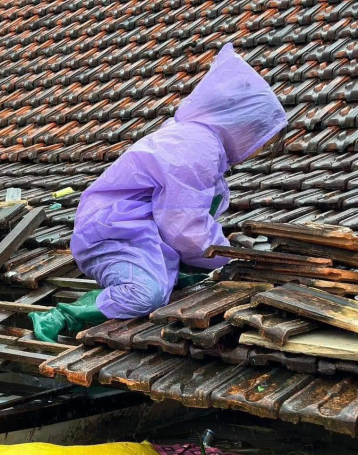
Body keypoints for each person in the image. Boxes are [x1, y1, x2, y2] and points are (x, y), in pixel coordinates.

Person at [30, 43, 288, 342]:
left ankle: (170, 275)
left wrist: (224, 249)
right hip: (115, 236)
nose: (258, 149)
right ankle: (63, 316)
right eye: (262, 140)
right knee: (145, 296)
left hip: (139, 235)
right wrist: (230, 256)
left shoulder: (203, 145)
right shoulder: (195, 148)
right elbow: (183, 227)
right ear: (245, 126)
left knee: (194, 280)